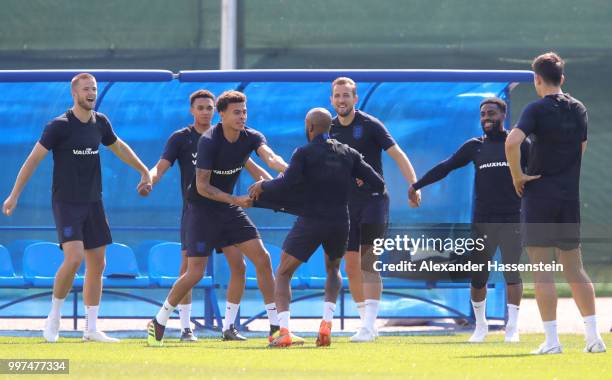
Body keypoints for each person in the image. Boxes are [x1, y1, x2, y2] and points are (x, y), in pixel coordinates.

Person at [2, 73, 152, 343]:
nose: (91, 92)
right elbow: (33, 159)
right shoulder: (59, 126)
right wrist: (14, 195)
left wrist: (144, 170)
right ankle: (54, 317)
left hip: (94, 201)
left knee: (98, 263)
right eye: (86, 89)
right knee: (73, 258)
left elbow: (118, 147)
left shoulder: (101, 122)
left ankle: (91, 329)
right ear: (75, 93)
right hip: (66, 202)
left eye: (93, 88)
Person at [147, 90, 287, 346]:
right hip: (200, 210)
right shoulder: (208, 141)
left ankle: (275, 329)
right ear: (221, 115)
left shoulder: (251, 137)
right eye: (236, 112)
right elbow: (202, 187)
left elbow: (269, 158)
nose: (242, 116)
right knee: (194, 273)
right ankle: (159, 320)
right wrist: (236, 200)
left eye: (244, 111)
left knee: (262, 259)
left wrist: (288, 173)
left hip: (228, 210)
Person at [249, 108, 385, 347]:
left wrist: (264, 187)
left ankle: (284, 331)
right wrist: (356, 178)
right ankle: (326, 324)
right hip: (341, 221)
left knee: (283, 273)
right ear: (329, 127)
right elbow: (378, 182)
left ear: (309, 126)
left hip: (312, 220)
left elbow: (287, 182)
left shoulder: (303, 152)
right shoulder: (348, 153)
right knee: (333, 270)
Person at [506, 52, 606, 354]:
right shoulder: (579, 108)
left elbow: (512, 142)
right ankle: (593, 338)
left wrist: (517, 176)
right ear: (562, 78)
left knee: (542, 269)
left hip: (539, 196)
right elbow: (582, 146)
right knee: (575, 267)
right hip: (568, 197)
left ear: (537, 79)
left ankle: (552, 341)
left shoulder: (536, 108)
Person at [410, 97, 529, 343]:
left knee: (512, 273)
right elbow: (446, 166)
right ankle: (481, 327)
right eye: (483, 114)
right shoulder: (474, 146)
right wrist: (416, 185)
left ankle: (512, 328)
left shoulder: (519, 144)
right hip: (483, 221)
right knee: (478, 276)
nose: (487, 118)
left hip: (513, 219)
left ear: (502, 115)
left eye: (492, 113)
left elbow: (538, 171)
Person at [329, 77, 421, 342]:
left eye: (347, 95)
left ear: (355, 99)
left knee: (368, 260)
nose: (342, 100)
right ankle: (366, 324)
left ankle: (369, 326)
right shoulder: (329, 128)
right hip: (345, 205)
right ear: (332, 99)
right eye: (337, 95)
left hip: (374, 199)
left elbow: (398, 154)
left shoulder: (370, 125)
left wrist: (414, 185)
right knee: (350, 265)